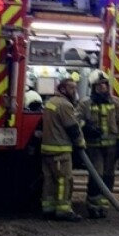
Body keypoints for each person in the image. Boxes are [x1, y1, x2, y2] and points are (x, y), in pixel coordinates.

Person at [78, 71, 119, 219]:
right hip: (94, 147)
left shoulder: (116, 103)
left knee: (108, 176)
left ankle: (104, 205)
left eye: (104, 84)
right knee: (96, 176)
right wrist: (86, 127)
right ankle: (93, 205)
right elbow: (76, 120)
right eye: (99, 85)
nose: (102, 87)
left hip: (111, 147)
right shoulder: (85, 103)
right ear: (93, 87)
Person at [41, 78, 85, 221]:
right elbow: (72, 127)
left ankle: (48, 208)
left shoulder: (50, 102)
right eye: (71, 88)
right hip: (61, 150)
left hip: (47, 150)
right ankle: (63, 209)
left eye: (75, 88)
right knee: (64, 180)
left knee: (49, 180)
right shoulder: (65, 105)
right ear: (63, 89)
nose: (74, 91)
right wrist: (80, 143)